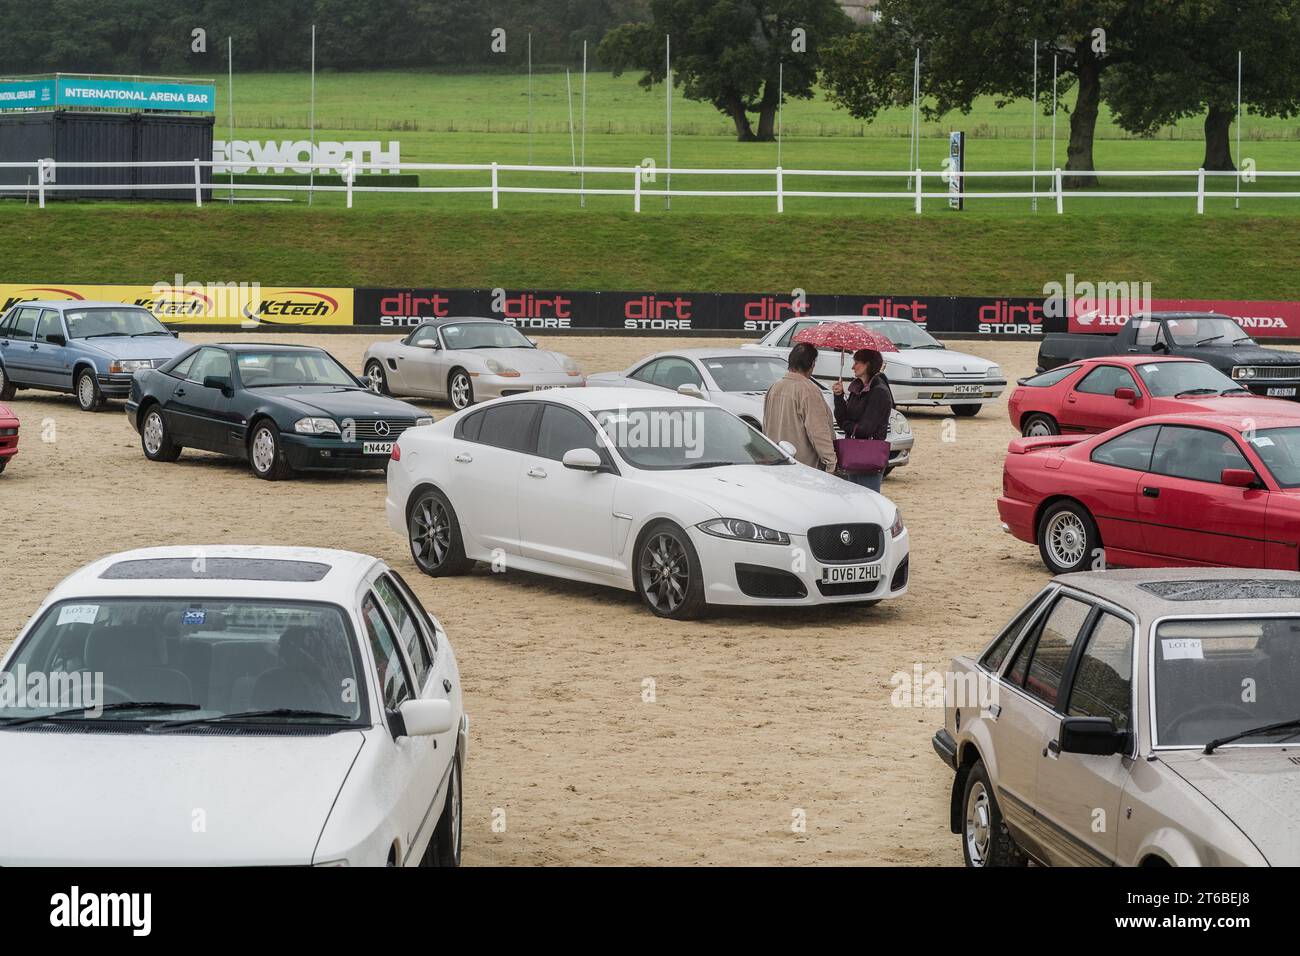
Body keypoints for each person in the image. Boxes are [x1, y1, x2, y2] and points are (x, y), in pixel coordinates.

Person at [763, 342, 837, 472]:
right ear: (812, 364)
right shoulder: (808, 390)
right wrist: (831, 462)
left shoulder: (774, 387)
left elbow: (766, 426)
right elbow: (818, 431)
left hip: (776, 463)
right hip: (804, 468)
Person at [832, 348, 894, 492]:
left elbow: (866, 428)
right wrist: (839, 396)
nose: (853, 367)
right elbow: (842, 420)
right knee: (855, 497)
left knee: (868, 496)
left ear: (867, 365)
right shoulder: (857, 388)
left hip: (869, 453)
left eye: (857, 363)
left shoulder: (879, 391)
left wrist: (848, 425)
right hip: (854, 451)